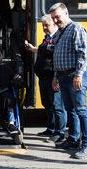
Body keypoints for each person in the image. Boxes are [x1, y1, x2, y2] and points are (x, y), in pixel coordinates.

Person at [49, 2, 87, 159]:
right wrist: (56, 77)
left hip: (74, 76)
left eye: (57, 17)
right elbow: (56, 56)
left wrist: (79, 74)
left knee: (81, 110)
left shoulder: (76, 28)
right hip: (63, 76)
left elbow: (83, 53)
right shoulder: (60, 32)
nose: (55, 21)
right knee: (71, 110)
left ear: (66, 13)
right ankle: (74, 140)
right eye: (53, 18)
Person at [25, 15, 66, 143]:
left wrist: (57, 78)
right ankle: (51, 128)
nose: (44, 28)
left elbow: (57, 58)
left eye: (46, 25)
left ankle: (60, 133)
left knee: (57, 106)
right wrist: (33, 49)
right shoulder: (47, 39)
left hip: (52, 78)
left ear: (54, 25)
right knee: (47, 104)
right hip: (43, 78)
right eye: (43, 25)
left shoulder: (58, 39)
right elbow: (44, 52)